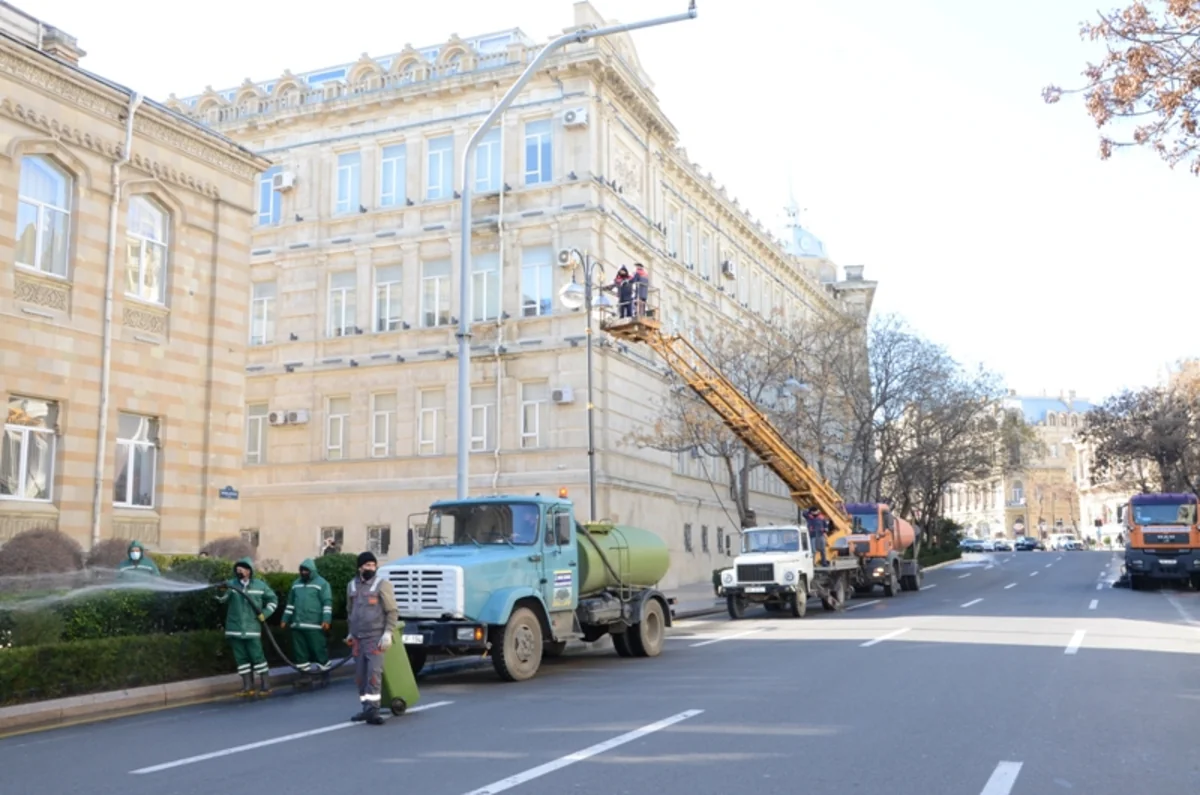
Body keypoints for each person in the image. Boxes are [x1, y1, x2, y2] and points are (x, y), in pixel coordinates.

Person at [347, 551, 398, 725]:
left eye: (373, 565)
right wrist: (350, 632)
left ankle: (374, 710)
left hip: (375, 637)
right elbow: (350, 611)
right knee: (360, 677)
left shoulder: (382, 585)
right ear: (359, 567)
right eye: (367, 565)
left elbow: (392, 611)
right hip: (358, 639)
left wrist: (388, 633)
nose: (370, 568)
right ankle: (365, 708)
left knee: (373, 675)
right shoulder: (352, 586)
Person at [216, 557, 278, 698]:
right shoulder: (232, 585)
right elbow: (222, 600)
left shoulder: (260, 586)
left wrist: (265, 613)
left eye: (242, 568)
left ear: (249, 571)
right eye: (238, 568)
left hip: (252, 629)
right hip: (235, 629)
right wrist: (220, 590)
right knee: (241, 659)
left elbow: (273, 600)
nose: (239, 570)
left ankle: (265, 685)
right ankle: (247, 686)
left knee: (257, 657)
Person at [280, 558, 333, 688]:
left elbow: (327, 603)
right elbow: (290, 604)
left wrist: (326, 620)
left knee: (318, 649)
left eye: (306, 570)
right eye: (302, 570)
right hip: (297, 625)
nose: (304, 572)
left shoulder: (322, 584)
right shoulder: (296, 584)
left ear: (312, 571)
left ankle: (324, 674)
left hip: (314, 624)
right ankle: (305, 676)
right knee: (300, 652)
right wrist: (285, 619)